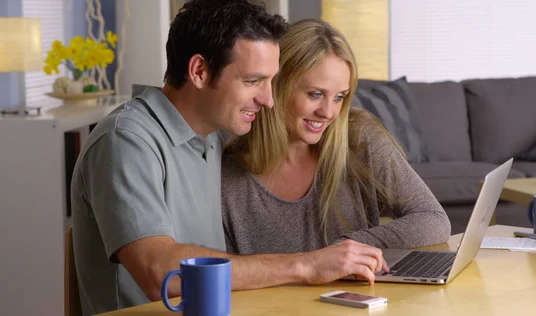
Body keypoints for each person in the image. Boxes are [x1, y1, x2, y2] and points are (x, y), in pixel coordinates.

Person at [71, 2, 387, 315]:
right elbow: (161, 275)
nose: (268, 99)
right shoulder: (126, 140)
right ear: (199, 71)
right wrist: (306, 264)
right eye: (252, 81)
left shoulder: (210, 138)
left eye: (271, 81)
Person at [222, 19, 451, 256]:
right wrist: (315, 264)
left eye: (339, 97)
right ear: (276, 84)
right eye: (316, 94)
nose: (328, 113)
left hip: (361, 295)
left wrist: (348, 247)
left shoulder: (359, 138)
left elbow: (433, 219)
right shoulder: (228, 177)